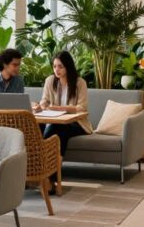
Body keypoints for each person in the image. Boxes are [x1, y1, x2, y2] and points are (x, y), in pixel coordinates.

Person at [35, 51, 91, 190]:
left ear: (68, 67)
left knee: (57, 130)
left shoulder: (79, 83)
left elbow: (82, 108)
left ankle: (48, 179)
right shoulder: (50, 81)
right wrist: (41, 106)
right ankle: (44, 176)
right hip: (54, 122)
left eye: (60, 66)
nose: (57, 70)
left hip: (77, 124)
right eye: (54, 66)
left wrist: (59, 108)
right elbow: (44, 100)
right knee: (39, 128)